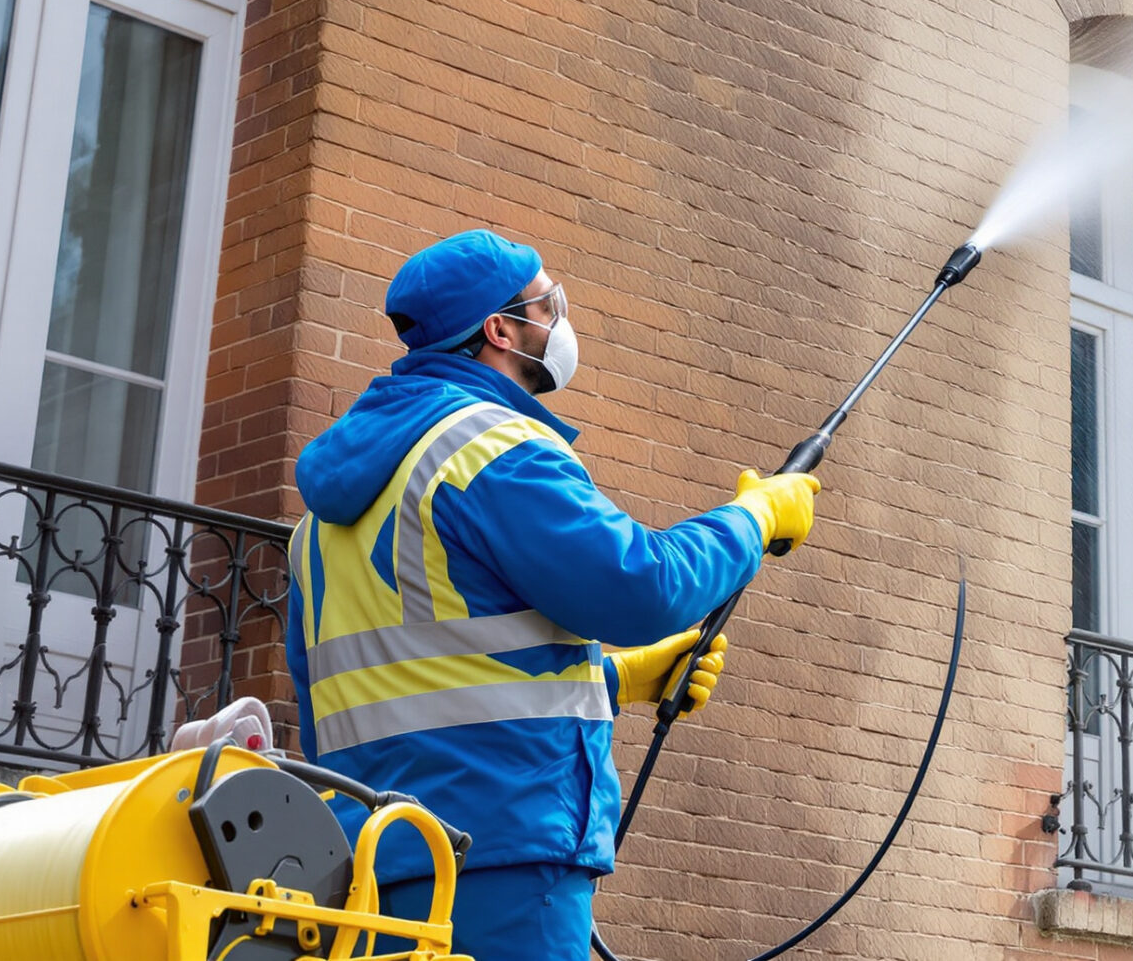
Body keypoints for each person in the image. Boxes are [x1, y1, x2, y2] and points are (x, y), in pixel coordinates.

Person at [282, 228, 822, 961]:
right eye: (547, 304)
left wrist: (618, 678)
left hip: (372, 878)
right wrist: (755, 519)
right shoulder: (490, 450)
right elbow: (643, 584)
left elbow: (399, 687)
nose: (560, 321)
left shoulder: (319, 525)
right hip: (503, 860)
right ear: (500, 328)